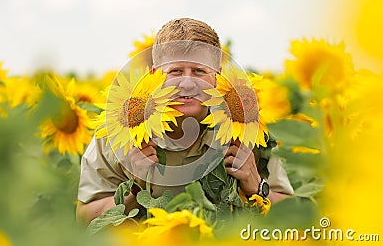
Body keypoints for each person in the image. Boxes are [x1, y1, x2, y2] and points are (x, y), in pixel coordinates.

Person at [76, 18, 294, 226]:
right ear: (155, 74)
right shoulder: (120, 132)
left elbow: (295, 214)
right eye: (175, 71)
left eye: (199, 71)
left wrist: (257, 186)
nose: (187, 83)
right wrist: (134, 188)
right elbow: (85, 219)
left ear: (217, 75)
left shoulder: (247, 129)